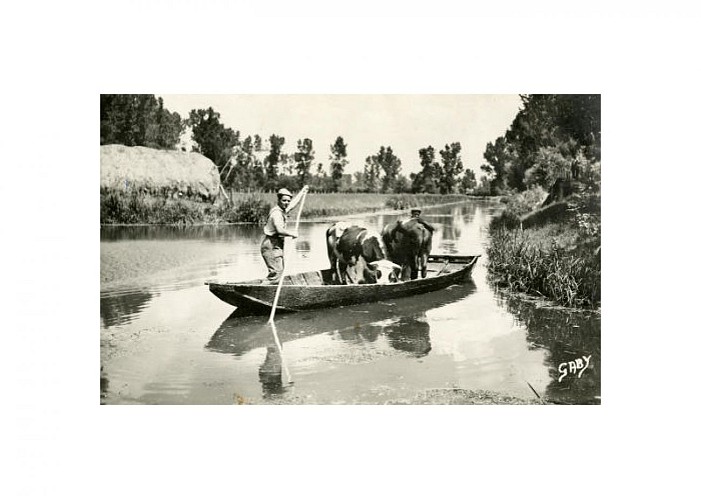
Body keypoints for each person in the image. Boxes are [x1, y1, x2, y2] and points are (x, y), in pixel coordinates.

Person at [260, 186, 309, 284]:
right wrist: (292, 234)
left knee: (279, 273)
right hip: (270, 245)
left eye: (288, 201)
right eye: (284, 200)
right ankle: (262, 289)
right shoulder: (277, 214)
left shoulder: (282, 210)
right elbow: (279, 230)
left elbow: (293, 204)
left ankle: (270, 291)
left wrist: (302, 192)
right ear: (279, 200)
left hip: (276, 244)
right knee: (276, 274)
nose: (286, 203)